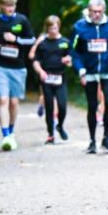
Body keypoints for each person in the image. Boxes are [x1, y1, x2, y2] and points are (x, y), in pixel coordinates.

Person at [70, 0, 108, 154]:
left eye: (99, 12)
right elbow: (73, 51)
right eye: (93, 12)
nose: (96, 15)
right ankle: (92, 141)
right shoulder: (80, 27)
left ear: (104, 11)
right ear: (88, 10)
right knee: (92, 106)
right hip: (89, 72)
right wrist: (80, 69)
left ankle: (106, 138)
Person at [0, 0, 36, 151]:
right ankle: (5, 135)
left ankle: (11, 132)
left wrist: (17, 40)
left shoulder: (22, 20)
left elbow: (32, 39)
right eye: (7, 5)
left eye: (12, 5)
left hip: (18, 67)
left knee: (14, 102)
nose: (10, 8)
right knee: (3, 99)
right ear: (0, 6)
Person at [31, 15, 72, 144]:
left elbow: (71, 60)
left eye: (55, 28)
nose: (53, 31)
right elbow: (35, 61)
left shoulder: (65, 42)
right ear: (47, 28)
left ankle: (60, 125)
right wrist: (41, 72)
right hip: (47, 78)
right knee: (49, 107)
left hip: (60, 78)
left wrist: (68, 61)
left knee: (62, 106)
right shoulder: (43, 44)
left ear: (58, 27)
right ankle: (50, 134)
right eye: (50, 28)